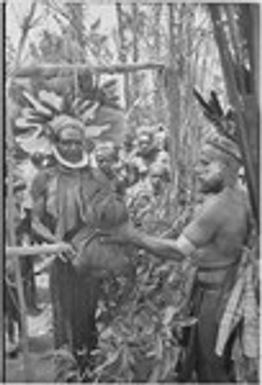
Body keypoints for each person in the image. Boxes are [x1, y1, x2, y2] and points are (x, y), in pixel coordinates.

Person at [100, 135, 250, 383]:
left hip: (216, 295)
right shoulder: (238, 197)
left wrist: (132, 236)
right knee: (210, 361)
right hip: (219, 287)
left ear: (226, 167)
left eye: (205, 164)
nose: (197, 170)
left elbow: (178, 251)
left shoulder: (220, 206)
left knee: (212, 366)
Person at [30, 115, 124, 373]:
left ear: (84, 144)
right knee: (64, 319)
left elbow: (111, 216)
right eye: (66, 143)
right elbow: (35, 221)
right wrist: (56, 243)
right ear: (56, 144)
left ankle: (88, 370)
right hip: (61, 257)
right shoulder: (44, 178)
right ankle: (67, 373)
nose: (72, 148)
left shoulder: (96, 176)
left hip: (90, 256)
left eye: (77, 143)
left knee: (87, 318)